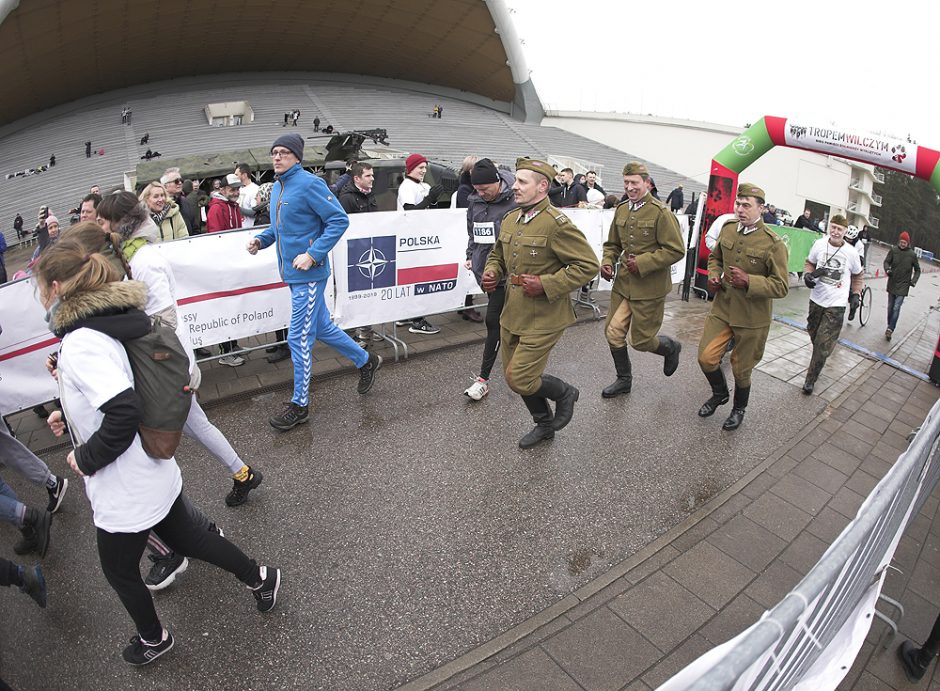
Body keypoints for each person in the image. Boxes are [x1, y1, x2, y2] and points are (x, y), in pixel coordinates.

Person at [36, 239, 280, 665]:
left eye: (39, 288)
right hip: (151, 470)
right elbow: (115, 389)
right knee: (192, 539)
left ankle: (154, 639)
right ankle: (262, 578)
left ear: (55, 288)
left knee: (118, 571)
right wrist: (66, 411)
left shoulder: (82, 341)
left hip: (126, 485)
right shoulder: (110, 320)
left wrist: (85, 456)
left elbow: (122, 409)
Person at [247, 134, 382, 431]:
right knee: (322, 328)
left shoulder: (310, 184)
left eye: (283, 153)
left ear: (297, 157)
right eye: (274, 152)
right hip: (293, 275)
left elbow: (338, 220)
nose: (277, 157)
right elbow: (280, 228)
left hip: (309, 274)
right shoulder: (280, 187)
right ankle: (366, 360)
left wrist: (312, 254)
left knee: (297, 338)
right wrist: (261, 239)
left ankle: (300, 404)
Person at [480, 158, 599, 448]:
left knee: (521, 378)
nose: (515, 187)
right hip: (513, 312)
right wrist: (492, 270)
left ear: (543, 186)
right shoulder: (511, 218)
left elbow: (588, 265)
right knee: (513, 377)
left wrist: (547, 284)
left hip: (545, 316)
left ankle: (565, 393)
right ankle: (544, 424)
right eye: (516, 180)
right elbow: (498, 254)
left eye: (522, 182)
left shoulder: (557, 224)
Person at [696, 183, 788, 431]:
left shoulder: (773, 243)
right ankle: (720, 393)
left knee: (741, 369)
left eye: (747, 205)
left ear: (761, 208)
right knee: (706, 357)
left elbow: (781, 286)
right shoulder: (728, 230)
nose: (741, 209)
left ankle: (738, 409)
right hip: (723, 308)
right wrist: (714, 275)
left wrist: (750, 281)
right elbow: (715, 258)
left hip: (752, 317)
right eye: (738, 204)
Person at [600, 161, 684, 398]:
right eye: (626, 182)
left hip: (650, 287)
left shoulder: (661, 213)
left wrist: (644, 262)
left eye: (634, 182)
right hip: (624, 284)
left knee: (641, 341)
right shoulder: (622, 209)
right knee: (613, 332)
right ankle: (624, 380)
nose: (629, 187)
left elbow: (676, 250)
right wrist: (608, 261)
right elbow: (613, 244)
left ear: (647, 183)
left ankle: (670, 347)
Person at [463, 158, 517, 401]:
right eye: (477, 189)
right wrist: (470, 256)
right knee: (506, 323)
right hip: (484, 273)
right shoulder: (474, 201)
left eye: (485, 189)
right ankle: (517, 362)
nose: (481, 193)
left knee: (493, 321)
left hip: (507, 275)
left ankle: (483, 380)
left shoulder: (515, 201)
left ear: (498, 182)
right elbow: (473, 233)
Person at [800, 214, 863, 394]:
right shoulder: (819, 244)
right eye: (833, 227)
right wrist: (807, 275)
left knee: (822, 344)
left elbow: (858, 275)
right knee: (813, 333)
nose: (835, 232)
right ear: (829, 228)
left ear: (845, 232)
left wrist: (856, 294)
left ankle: (810, 380)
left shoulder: (851, 253)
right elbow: (809, 263)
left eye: (839, 229)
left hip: (837, 304)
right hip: (816, 299)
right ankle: (821, 353)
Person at [396, 153, 443, 335]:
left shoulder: (424, 185)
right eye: (420, 167)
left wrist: (434, 200)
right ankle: (417, 320)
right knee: (415, 278)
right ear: (410, 168)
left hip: (422, 237)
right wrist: (429, 199)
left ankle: (405, 314)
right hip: (410, 238)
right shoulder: (406, 187)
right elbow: (410, 212)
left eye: (425, 167)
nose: (423, 171)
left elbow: (431, 211)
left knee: (414, 278)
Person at [338, 163, 382, 347]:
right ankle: (350, 334)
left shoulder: (369, 194)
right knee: (353, 296)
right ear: (357, 178)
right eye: (368, 176)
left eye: (372, 175)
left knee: (369, 294)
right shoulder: (346, 199)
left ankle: (366, 330)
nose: (372, 178)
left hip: (370, 251)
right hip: (354, 255)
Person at [884, 230, 920, 340]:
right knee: (890, 307)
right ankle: (890, 324)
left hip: (904, 285)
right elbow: (886, 262)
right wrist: (887, 270)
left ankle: (890, 329)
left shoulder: (912, 255)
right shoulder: (893, 250)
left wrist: (913, 281)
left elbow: (918, 270)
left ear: (908, 243)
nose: (902, 244)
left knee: (896, 307)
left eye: (905, 242)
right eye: (901, 242)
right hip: (892, 282)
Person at [161, 168, 197, 234]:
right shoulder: (160, 206)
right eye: (176, 181)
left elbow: (195, 226)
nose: (180, 183)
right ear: (165, 186)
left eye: (181, 180)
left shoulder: (185, 202)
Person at [235, 163, 260, 228]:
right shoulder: (238, 189)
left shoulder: (255, 189)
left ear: (244, 175)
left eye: (236, 175)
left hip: (249, 229)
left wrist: (236, 208)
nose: (234, 177)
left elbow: (255, 213)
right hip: (238, 229)